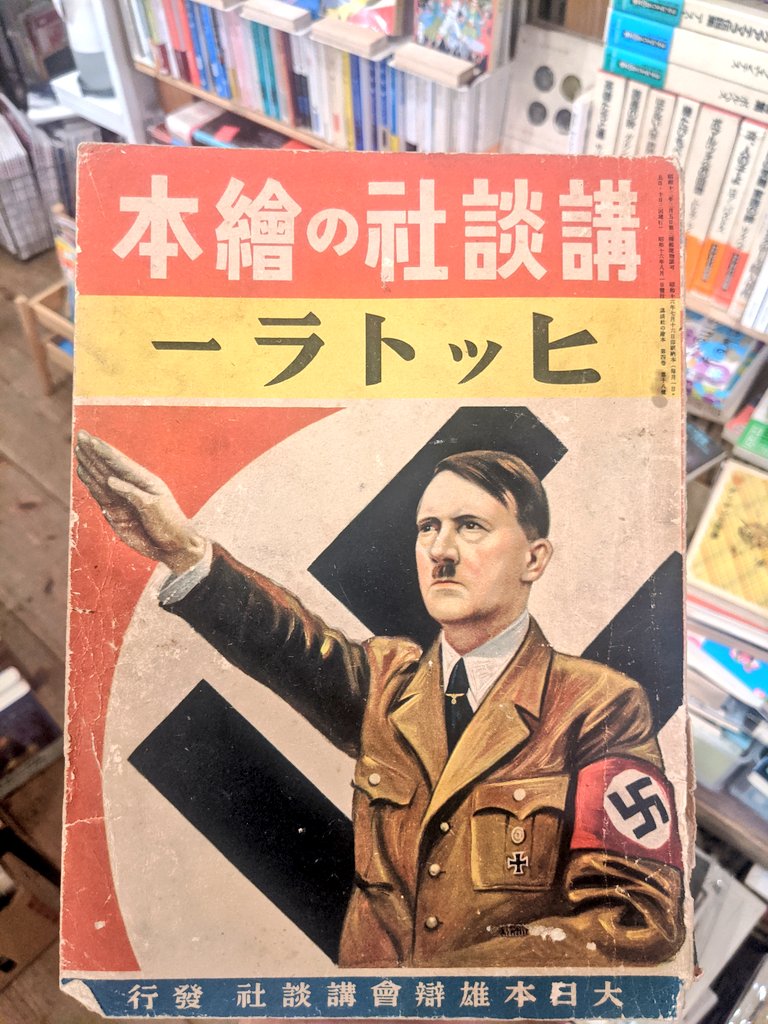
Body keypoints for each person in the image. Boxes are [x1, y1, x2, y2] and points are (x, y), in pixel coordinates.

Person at [74, 431, 685, 969]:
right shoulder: (389, 679)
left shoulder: (598, 705)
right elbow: (286, 644)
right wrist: (185, 552)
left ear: (534, 558)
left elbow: (637, 916)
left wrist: (442, 986)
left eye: (471, 526)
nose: (441, 550)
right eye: (428, 528)